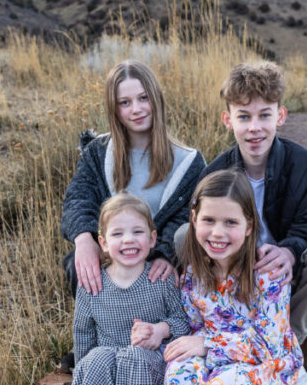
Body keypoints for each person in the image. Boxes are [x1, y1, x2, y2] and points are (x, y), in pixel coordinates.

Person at [186, 61, 307, 385]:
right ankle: (230, 340)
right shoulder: (216, 174)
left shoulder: (306, 166)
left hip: (289, 276)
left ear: (280, 116)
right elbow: (200, 228)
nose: (255, 128)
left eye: (264, 115)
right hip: (237, 284)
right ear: (228, 120)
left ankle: (284, 348)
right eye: (244, 117)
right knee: (184, 237)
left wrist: (290, 250)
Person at [151, 170, 301, 385]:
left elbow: (267, 343)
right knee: (181, 370)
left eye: (230, 222)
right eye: (209, 220)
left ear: (250, 225)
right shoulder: (194, 271)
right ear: (193, 220)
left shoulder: (267, 273)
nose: (217, 233)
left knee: (233, 384)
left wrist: (206, 343)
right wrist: (162, 332)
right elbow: (190, 324)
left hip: (264, 363)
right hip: (213, 354)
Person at [55, 194, 190, 385]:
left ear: (153, 238)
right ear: (103, 243)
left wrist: (160, 329)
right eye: (118, 234)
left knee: (138, 358)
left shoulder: (161, 280)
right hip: (109, 363)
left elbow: (183, 324)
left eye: (138, 232)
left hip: (152, 362)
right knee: (92, 358)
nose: (128, 240)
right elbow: (83, 332)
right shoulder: (93, 284)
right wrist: (83, 371)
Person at [60, 60, 205, 297]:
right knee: (76, 266)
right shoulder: (98, 153)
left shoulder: (189, 162)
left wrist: (166, 254)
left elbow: (188, 217)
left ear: (156, 99)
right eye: (125, 103)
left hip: (160, 258)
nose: (136, 109)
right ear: (114, 109)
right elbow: (78, 200)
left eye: (143, 98)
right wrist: (84, 238)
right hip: (114, 254)